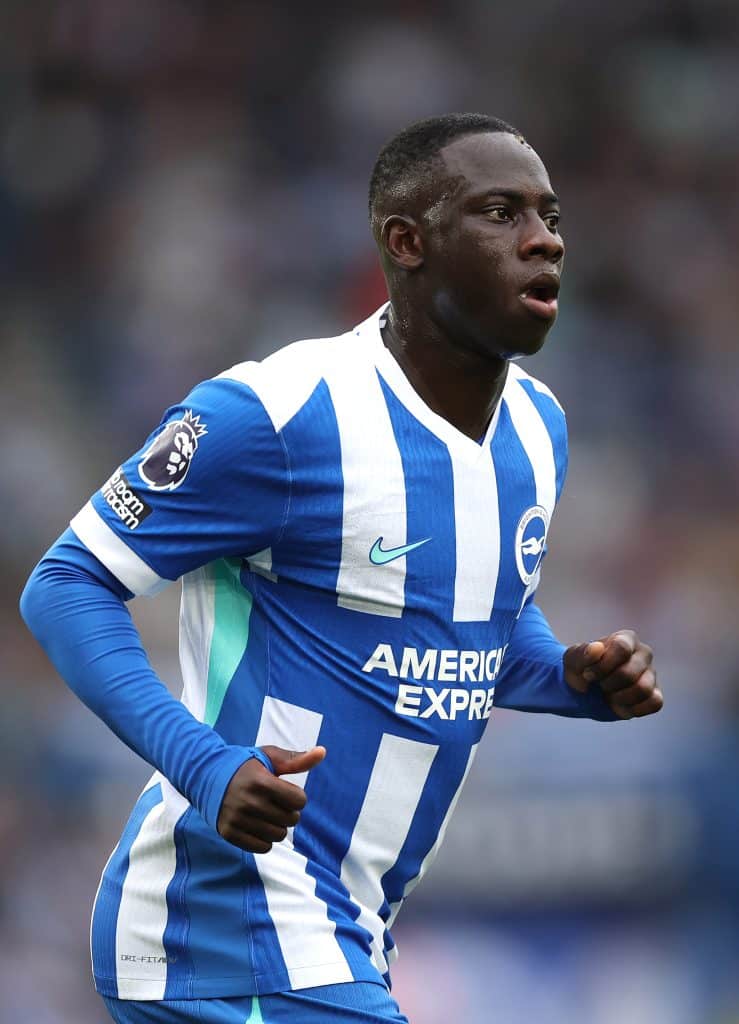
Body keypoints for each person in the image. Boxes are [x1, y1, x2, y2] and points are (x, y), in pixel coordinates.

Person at [21, 113, 663, 1024]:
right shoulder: (277, 413)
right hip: (232, 921)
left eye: (549, 218)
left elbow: (475, 614)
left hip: (342, 930)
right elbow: (65, 583)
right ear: (406, 242)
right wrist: (204, 764)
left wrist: (567, 676)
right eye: (500, 213)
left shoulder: (537, 428)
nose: (543, 240)